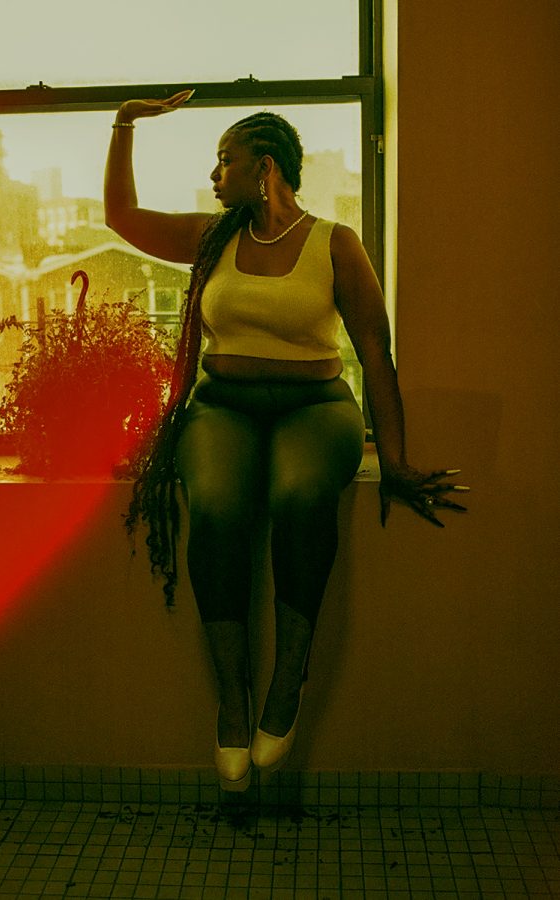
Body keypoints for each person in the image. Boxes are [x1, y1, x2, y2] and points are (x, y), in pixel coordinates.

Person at [104, 90, 467, 791]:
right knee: (215, 507)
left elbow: (375, 353)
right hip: (224, 406)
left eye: (225, 161)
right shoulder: (213, 238)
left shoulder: (335, 243)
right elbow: (123, 217)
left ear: (264, 167)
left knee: (300, 495)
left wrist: (394, 461)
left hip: (315, 406)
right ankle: (233, 699)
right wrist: (124, 122)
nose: (215, 175)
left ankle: (288, 679)